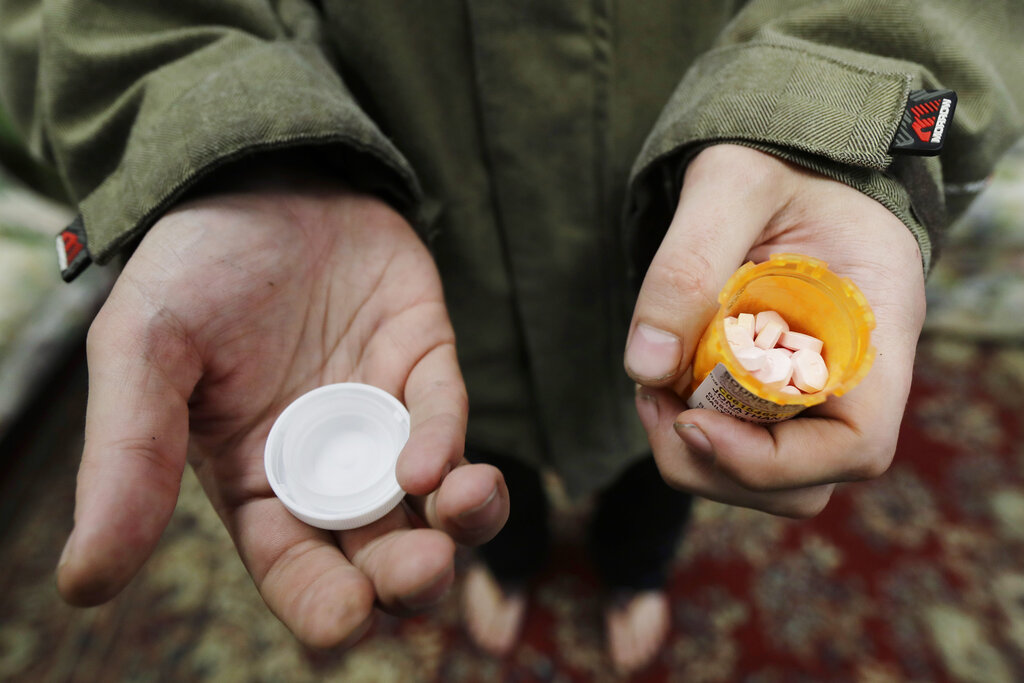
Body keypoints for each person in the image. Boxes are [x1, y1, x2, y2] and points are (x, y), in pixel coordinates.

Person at [1, 0, 1020, 674]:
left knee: (666, 467)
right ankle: (515, 558)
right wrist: (216, 137)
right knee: (480, 479)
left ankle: (634, 571)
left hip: (685, 230)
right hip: (420, 285)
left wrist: (837, 112)